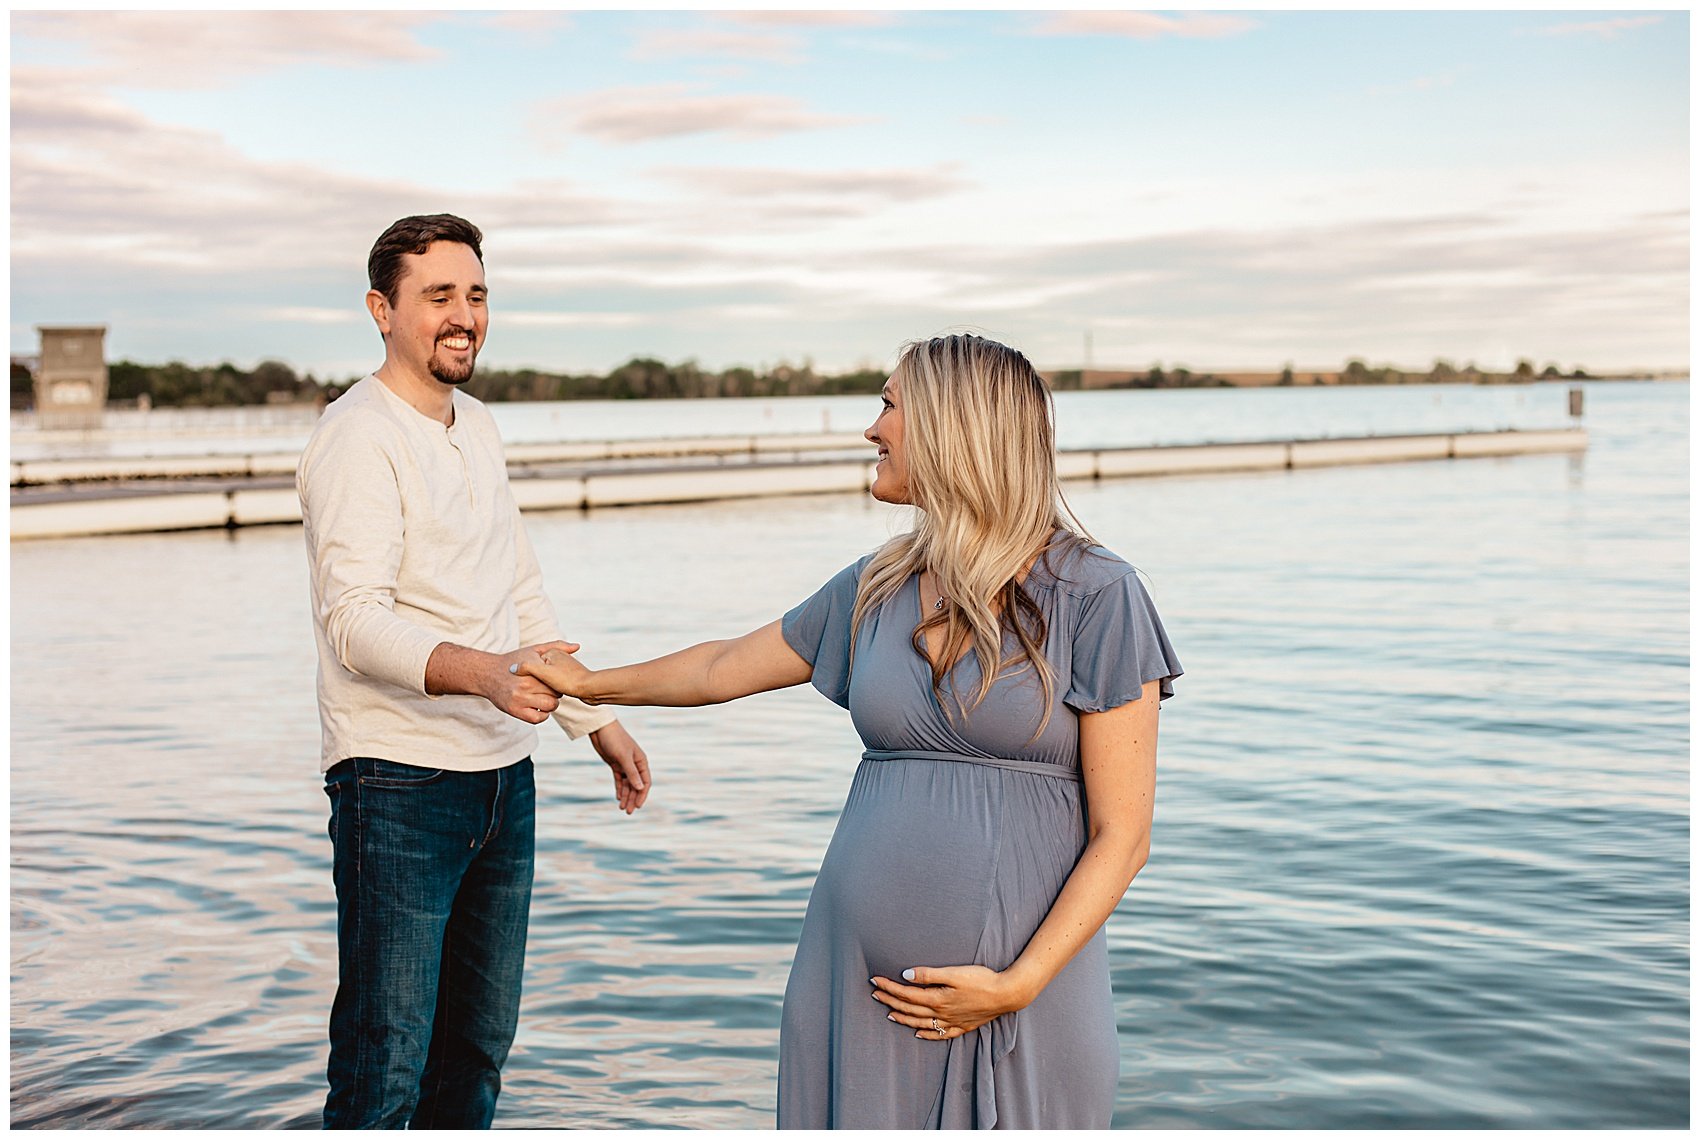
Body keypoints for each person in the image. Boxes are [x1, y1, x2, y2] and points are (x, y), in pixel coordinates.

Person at [517, 333, 1181, 1128]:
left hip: (1017, 995)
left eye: (890, 405)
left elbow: (1123, 835)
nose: (873, 429)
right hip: (851, 986)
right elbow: (723, 665)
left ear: (952, 426)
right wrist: (590, 683)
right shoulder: (879, 582)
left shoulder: (1097, 594)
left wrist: (1019, 984)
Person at [296, 213, 653, 1129]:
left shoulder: (480, 425)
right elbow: (354, 624)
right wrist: (485, 673)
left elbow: (517, 588)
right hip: (397, 783)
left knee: (477, 1055)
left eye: (477, 295)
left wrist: (594, 719)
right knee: (387, 1057)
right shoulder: (355, 436)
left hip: (504, 780)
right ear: (383, 309)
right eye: (439, 297)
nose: (465, 316)